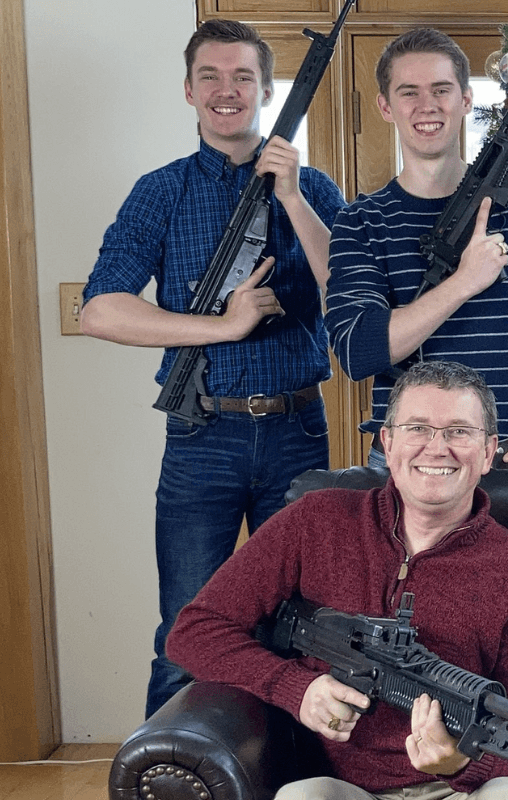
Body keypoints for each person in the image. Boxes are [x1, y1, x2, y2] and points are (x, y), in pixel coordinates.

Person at [79, 19, 346, 718]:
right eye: (212, 78)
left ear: (265, 89)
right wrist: (220, 326)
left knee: (307, 632)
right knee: (186, 632)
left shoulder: (313, 185)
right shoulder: (159, 192)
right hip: (204, 440)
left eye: (243, 78)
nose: (227, 92)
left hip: (298, 433)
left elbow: (352, 299)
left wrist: (290, 196)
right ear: (190, 91)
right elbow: (100, 311)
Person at [167, 360, 508, 800]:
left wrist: (461, 762)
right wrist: (297, 688)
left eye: (458, 431)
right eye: (417, 428)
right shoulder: (314, 521)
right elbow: (194, 632)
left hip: (462, 790)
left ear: (488, 452)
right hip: (340, 787)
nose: (437, 447)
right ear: (387, 444)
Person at [324, 28, 508, 471]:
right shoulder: (361, 222)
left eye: (441, 90)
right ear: (386, 107)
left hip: (503, 459)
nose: (427, 105)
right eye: (409, 92)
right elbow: (359, 352)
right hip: (407, 463)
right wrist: (463, 282)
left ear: (465, 100)